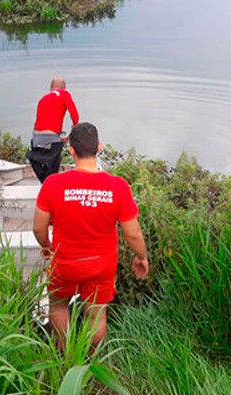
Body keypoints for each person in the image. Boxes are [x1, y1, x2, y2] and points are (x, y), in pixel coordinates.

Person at [33, 122, 149, 354]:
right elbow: (133, 232)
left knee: (58, 306)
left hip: (64, 262)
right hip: (100, 264)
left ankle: (63, 353)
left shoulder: (53, 184)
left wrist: (46, 246)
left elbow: (38, 227)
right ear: (99, 147)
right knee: (96, 314)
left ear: (71, 151)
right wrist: (141, 257)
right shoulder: (117, 187)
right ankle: (90, 358)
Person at [26, 77, 80, 183]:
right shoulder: (64, 94)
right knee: (53, 172)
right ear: (64, 88)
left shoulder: (43, 98)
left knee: (46, 171)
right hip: (51, 139)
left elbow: (43, 122)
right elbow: (75, 116)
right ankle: (50, 188)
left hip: (36, 139)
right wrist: (69, 136)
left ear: (50, 88)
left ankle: (33, 158)